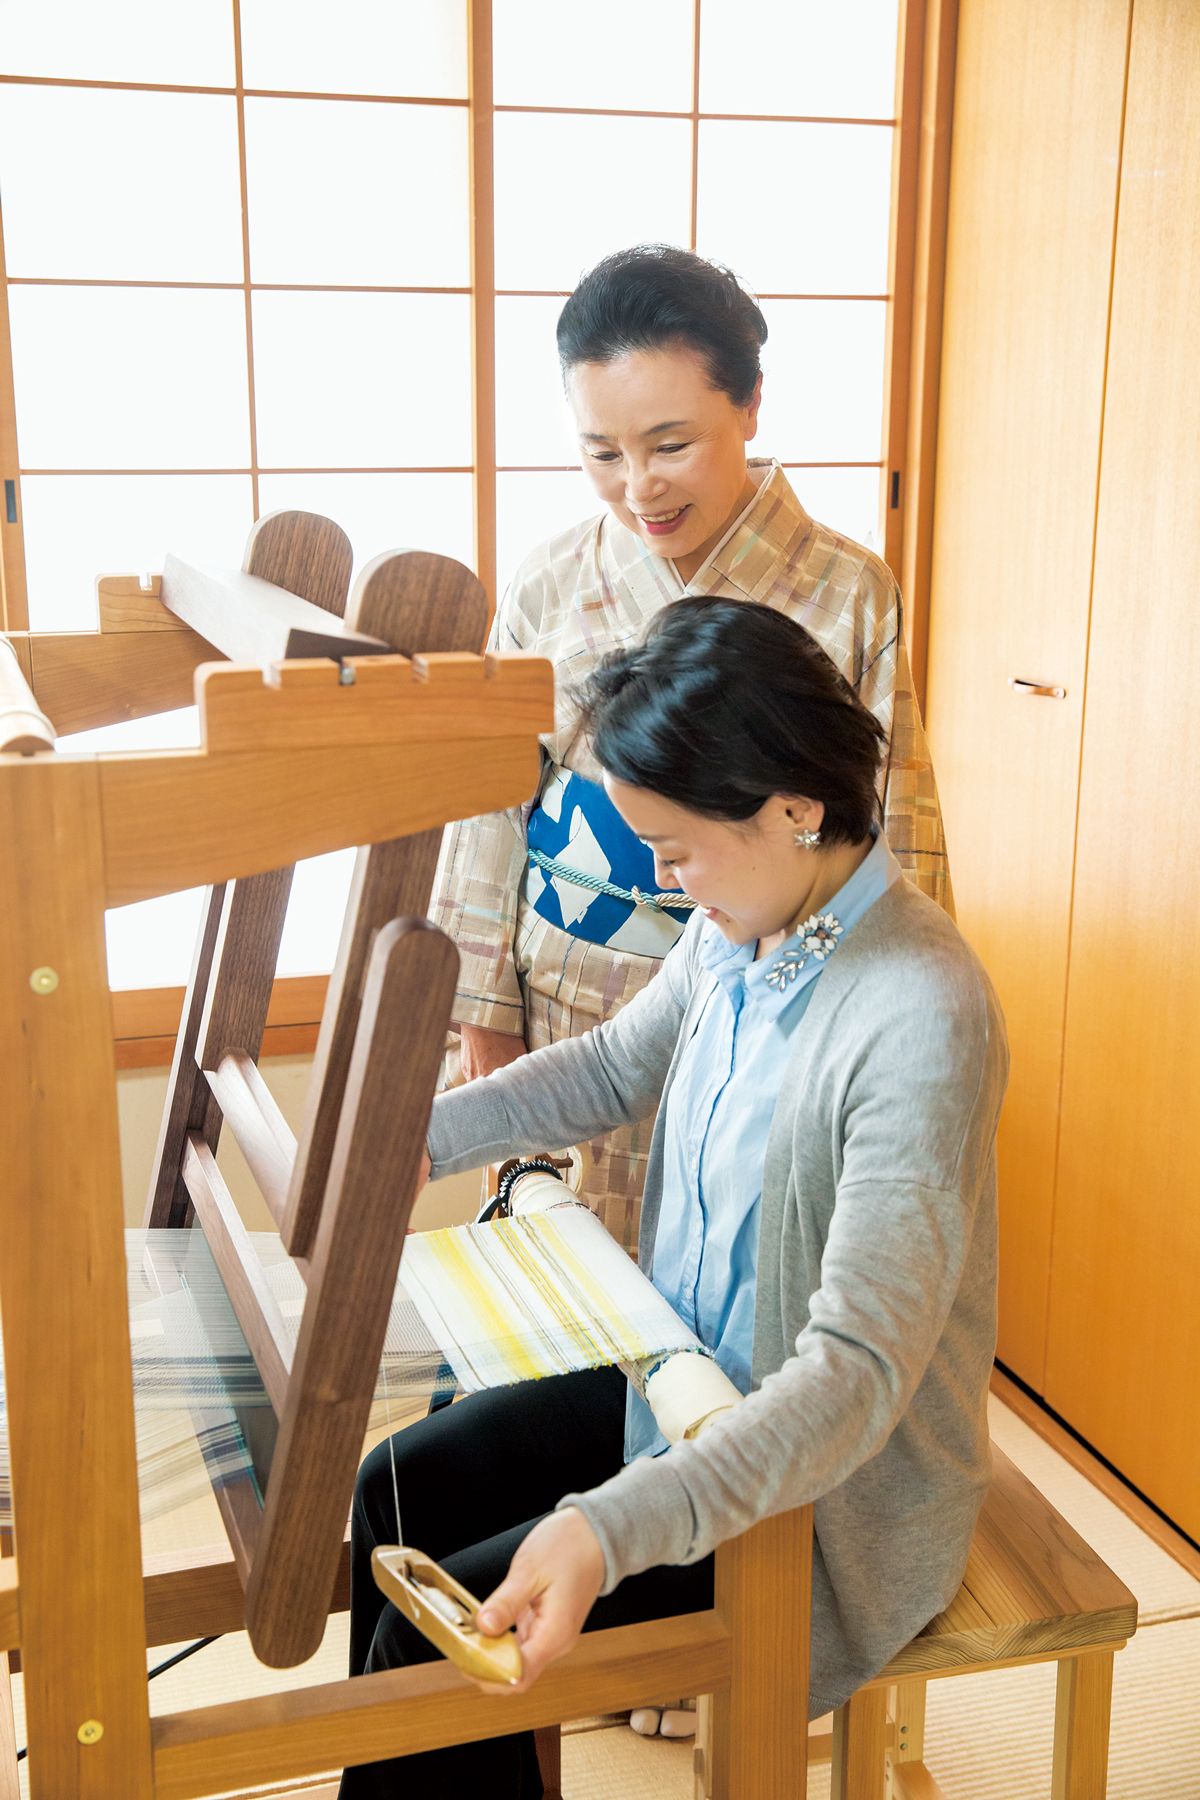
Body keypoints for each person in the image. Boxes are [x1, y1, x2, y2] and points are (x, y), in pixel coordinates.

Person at [339, 598, 1007, 1798]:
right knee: (391, 1500)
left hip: (822, 1486)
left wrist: (610, 1526)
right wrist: (401, 1146)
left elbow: (852, 1378)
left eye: (679, 845)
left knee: (432, 1637)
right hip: (687, 1374)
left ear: (796, 809)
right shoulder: (743, 925)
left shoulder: (919, 1015)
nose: (659, 874)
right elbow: (608, 1069)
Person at [434, 244, 952, 1254]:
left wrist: (896, 1017)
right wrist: (483, 1016)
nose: (637, 489)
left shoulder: (848, 590)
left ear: (750, 403)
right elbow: (487, 805)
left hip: (771, 1004)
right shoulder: (550, 581)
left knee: (737, 1290)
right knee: (563, 1289)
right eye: (602, 454)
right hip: (571, 996)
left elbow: (893, 820)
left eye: (669, 444)